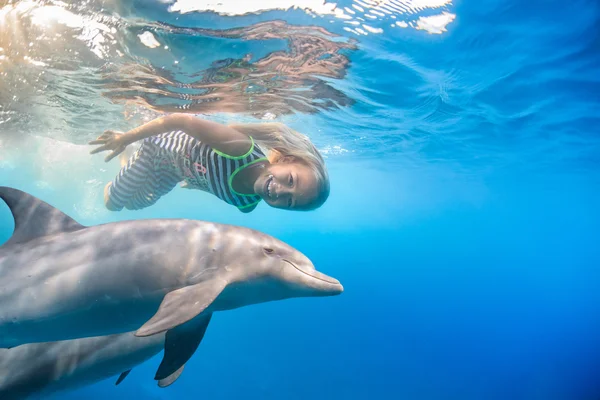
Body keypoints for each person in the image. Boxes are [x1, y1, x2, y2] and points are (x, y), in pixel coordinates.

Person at [89, 113, 330, 213]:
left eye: (289, 201)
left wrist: (196, 182)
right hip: (158, 148)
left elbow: (216, 182)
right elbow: (178, 120)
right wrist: (125, 137)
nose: (280, 190)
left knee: (135, 205)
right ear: (285, 160)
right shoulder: (240, 149)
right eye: (290, 180)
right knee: (114, 203)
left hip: (175, 172)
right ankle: (130, 151)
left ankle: (126, 160)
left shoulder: (246, 203)